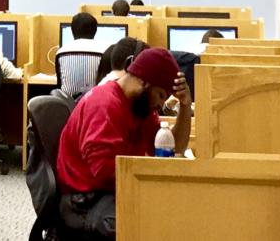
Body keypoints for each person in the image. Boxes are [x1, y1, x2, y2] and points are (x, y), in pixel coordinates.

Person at [56, 47, 192, 236]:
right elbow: (104, 172)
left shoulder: (140, 107)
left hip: (112, 189)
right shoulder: (105, 105)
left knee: (175, 210)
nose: (161, 105)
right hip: (85, 201)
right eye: (161, 95)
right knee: (153, 223)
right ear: (145, 81)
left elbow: (172, 148)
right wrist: (150, 176)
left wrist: (185, 106)